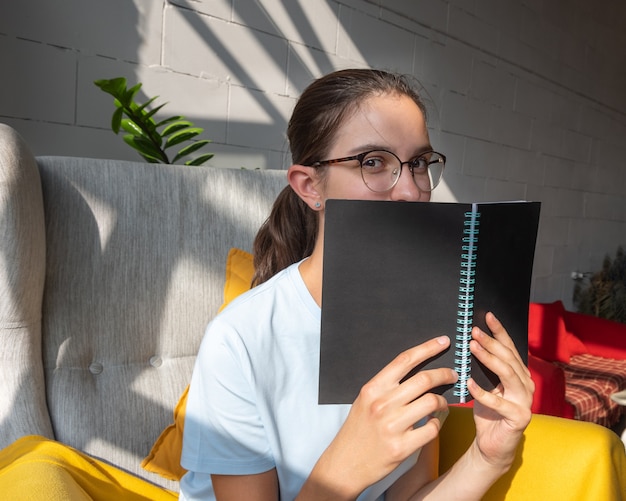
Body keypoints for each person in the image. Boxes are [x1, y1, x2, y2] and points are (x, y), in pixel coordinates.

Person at [179, 68, 534, 501]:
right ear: (310, 186)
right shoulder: (239, 340)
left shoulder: (423, 321)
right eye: (372, 162)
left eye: (418, 163)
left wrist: (488, 456)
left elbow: (408, 495)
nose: (409, 190)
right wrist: (346, 467)